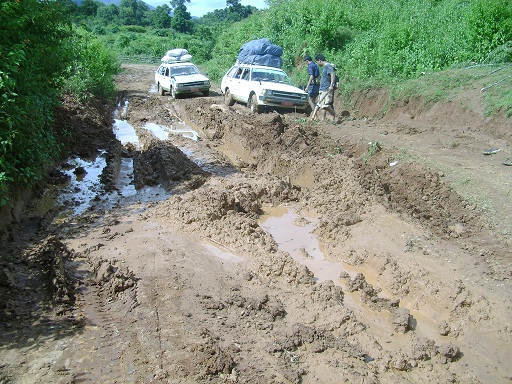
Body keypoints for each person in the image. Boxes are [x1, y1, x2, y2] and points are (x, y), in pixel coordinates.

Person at [310, 54, 336, 122]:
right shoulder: (325, 67)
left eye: (317, 62)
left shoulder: (328, 66)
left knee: (325, 105)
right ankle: (323, 119)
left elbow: (332, 74)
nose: (317, 63)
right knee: (321, 105)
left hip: (326, 88)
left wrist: (331, 85)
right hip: (322, 89)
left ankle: (335, 115)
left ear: (320, 60)